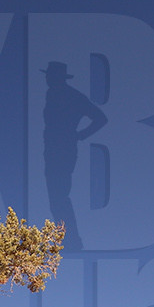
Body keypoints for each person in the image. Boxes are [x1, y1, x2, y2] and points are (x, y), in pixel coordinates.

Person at [41, 61, 107, 249]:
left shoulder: (72, 96)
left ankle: (71, 241)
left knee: (59, 196)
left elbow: (100, 118)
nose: (47, 79)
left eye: (50, 75)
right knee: (56, 197)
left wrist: (80, 135)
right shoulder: (52, 93)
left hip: (63, 150)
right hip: (52, 149)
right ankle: (67, 240)